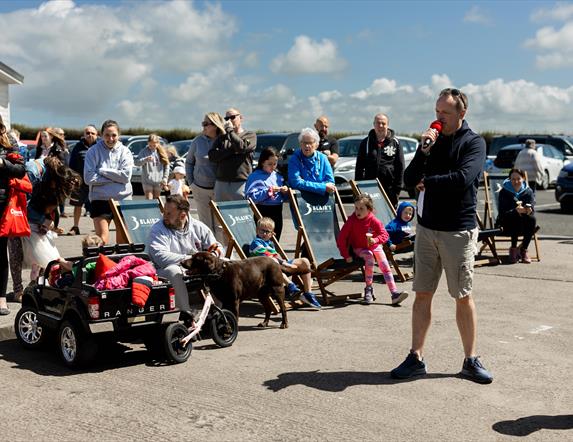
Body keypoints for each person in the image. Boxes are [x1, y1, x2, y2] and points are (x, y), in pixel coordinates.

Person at [391, 88, 493, 384]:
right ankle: (415, 357)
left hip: (457, 232)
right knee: (422, 294)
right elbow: (408, 180)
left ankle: (470, 360)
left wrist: (430, 182)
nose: (439, 118)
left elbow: (464, 178)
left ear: (462, 113)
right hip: (426, 229)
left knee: (462, 295)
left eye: (445, 113)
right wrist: (423, 152)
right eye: (437, 112)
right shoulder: (431, 143)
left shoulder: (473, 143)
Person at [148, 194, 223, 312]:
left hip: (197, 268)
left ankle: (220, 310)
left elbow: (217, 247)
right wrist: (193, 260)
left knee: (225, 263)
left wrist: (210, 258)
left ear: (183, 215)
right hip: (166, 270)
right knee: (173, 271)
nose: (164, 217)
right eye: (164, 212)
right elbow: (160, 257)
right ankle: (185, 313)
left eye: (169, 214)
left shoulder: (198, 227)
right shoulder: (158, 229)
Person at [337, 194, 409, 305]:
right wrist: (346, 255)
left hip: (374, 246)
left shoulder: (373, 220)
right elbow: (341, 238)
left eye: (361, 208)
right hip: (359, 249)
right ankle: (368, 289)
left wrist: (375, 240)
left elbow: (385, 235)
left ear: (369, 209)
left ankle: (394, 293)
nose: (358, 211)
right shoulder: (351, 221)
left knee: (384, 265)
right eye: (356, 208)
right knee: (369, 257)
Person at [249, 217, 320, 309]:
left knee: (304, 261)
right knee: (273, 262)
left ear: (272, 234)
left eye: (268, 232)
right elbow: (268, 256)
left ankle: (308, 293)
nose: (265, 233)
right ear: (257, 230)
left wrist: (283, 262)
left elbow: (275, 255)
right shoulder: (256, 243)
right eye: (262, 231)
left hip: (278, 266)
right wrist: (284, 263)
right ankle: (290, 286)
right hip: (263, 271)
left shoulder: (270, 243)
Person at [84, 120, 133, 244]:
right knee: (102, 241)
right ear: (101, 135)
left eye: (114, 135)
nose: (110, 139)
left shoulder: (125, 151)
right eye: (107, 135)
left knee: (123, 242)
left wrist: (102, 171)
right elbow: (88, 178)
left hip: (123, 200)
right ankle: (103, 263)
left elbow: (125, 176)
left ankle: (120, 264)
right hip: (100, 200)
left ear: (119, 135)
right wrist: (116, 177)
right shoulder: (92, 151)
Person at [0, 116, 27, 314]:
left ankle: (1, 298)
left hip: (2, 203)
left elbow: (20, 170)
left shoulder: (8, 140)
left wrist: (2, 163)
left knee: (0, 254)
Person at [186, 112, 225, 233]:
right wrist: (191, 183)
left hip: (218, 188)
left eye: (205, 124)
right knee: (205, 225)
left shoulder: (224, 141)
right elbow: (189, 162)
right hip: (199, 189)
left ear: (215, 125)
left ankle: (221, 251)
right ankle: (208, 251)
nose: (203, 126)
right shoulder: (197, 141)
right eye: (202, 123)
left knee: (220, 225)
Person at [355, 113, 405, 207]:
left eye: (383, 123)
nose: (380, 126)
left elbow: (400, 166)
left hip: (390, 189)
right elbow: (359, 167)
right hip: (370, 187)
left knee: (389, 216)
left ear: (388, 125)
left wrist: (397, 188)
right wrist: (359, 187)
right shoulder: (365, 143)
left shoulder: (396, 143)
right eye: (378, 123)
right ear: (374, 124)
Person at [208, 108, 257, 202]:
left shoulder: (250, 135)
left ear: (241, 118)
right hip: (221, 182)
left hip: (241, 182)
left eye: (233, 117)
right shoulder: (222, 137)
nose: (230, 120)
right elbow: (212, 156)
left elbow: (241, 148)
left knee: (242, 213)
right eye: (227, 118)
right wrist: (232, 151)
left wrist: (230, 131)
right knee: (221, 214)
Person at [245, 147, 288, 240]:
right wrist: (269, 191)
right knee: (262, 240)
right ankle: (262, 254)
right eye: (270, 164)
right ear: (262, 162)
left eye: (275, 164)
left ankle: (273, 254)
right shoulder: (255, 176)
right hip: (263, 211)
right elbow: (250, 197)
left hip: (277, 211)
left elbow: (284, 197)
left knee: (275, 240)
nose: (273, 166)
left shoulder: (278, 176)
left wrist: (285, 191)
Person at [496, 168, 536, 264]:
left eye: (518, 179)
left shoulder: (528, 191)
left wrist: (529, 210)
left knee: (532, 219)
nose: (516, 181)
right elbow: (502, 213)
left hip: (523, 225)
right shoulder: (504, 192)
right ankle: (513, 249)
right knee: (516, 216)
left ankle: (523, 250)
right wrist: (515, 211)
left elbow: (532, 208)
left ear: (523, 179)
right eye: (513, 179)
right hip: (506, 224)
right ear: (509, 179)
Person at [67, 124, 98, 235]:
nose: (90, 135)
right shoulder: (78, 147)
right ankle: (75, 227)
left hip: (96, 182)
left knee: (98, 206)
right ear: (84, 135)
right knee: (77, 205)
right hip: (80, 182)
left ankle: (99, 229)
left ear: (97, 135)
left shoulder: (100, 146)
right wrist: (73, 178)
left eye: (92, 133)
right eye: (87, 133)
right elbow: (72, 165)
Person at [288, 127, 336, 196]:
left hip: (322, 201)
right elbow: (296, 182)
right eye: (304, 143)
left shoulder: (323, 158)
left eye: (310, 143)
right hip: (301, 200)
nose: (307, 146)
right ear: (300, 144)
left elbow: (330, 182)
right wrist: (322, 187)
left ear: (316, 145)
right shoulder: (294, 159)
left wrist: (306, 184)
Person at [135, 133, 170, 200]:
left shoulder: (161, 152)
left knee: (156, 201)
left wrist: (165, 178)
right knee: (149, 200)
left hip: (159, 181)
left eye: (154, 145)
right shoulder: (144, 151)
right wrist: (145, 160)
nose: (152, 147)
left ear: (158, 143)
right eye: (150, 145)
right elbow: (136, 162)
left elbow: (167, 166)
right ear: (148, 143)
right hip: (147, 181)